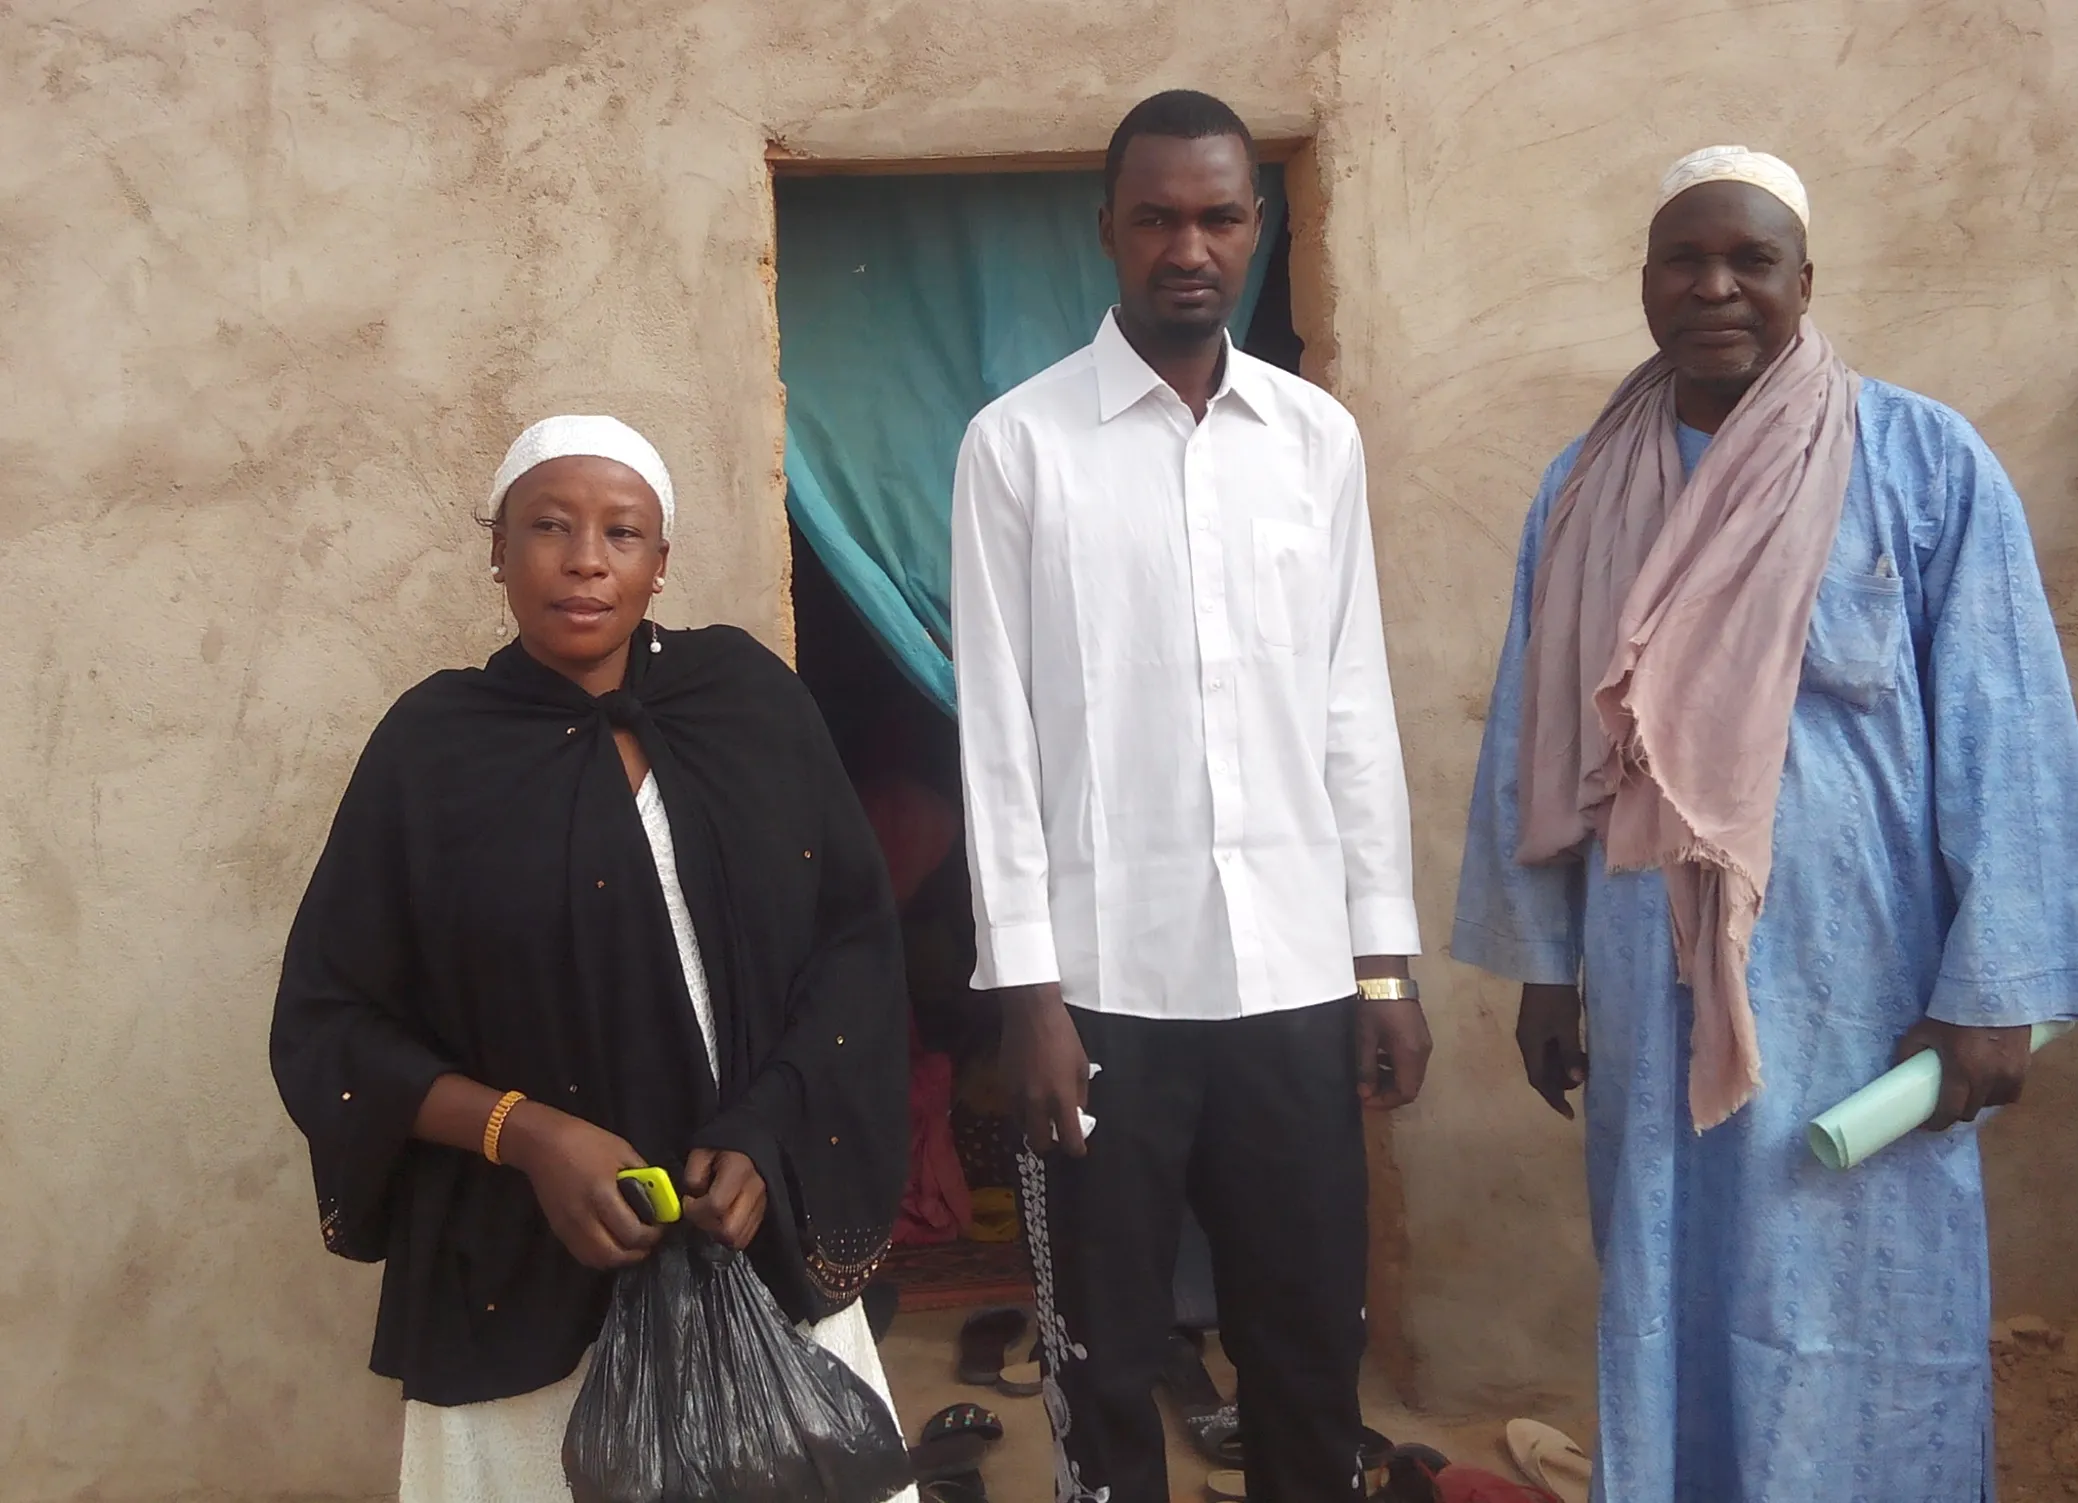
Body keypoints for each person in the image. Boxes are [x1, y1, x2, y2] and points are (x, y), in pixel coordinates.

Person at [1453, 146, 2078, 1502]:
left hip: (1869, 990)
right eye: (1683, 259)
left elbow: (2011, 729)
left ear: (1803, 282)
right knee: (1671, 1284)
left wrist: (1996, 987)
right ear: (1645, 281)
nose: (1714, 286)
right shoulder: (1582, 485)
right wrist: (1548, 961)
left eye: (1749, 260)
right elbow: (1537, 732)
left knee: (1871, 1304)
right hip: (1651, 987)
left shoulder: (1924, 461)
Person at [270, 416, 914, 1502]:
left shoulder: (747, 702)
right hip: (518, 1279)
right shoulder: (432, 749)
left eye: (622, 533)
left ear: (660, 564)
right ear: (497, 550)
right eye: (549, 527)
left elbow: (850, 949)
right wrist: (524, 1135)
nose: (584, 560)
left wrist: (766, 1131)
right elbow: (329, 1026)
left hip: (752, 1243)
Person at [952, 90, 1428, 1503]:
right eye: (1156, 215)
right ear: (1107, 229)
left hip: (1293, 974)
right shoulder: (1018, 447)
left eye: (1219, 215)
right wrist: (1027, 993)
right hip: (1104, 989)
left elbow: (1351, 703)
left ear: (1258, 230)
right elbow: (997, 741)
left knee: (1304, 1342)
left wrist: (1382, 960)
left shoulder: (1314, 441)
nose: (1188, 246)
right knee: (1103, 1360)